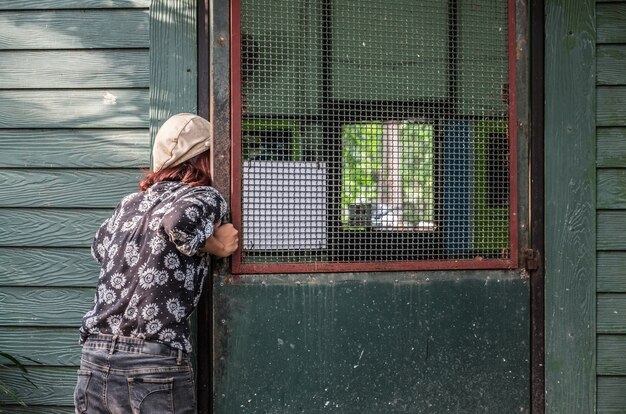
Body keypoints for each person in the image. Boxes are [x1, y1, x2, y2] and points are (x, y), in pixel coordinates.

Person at [73, 113, 238, 414]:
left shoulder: (130, 203)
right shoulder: (203, 195)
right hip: (153, 358)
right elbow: (178, 223)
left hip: (95, 355)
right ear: (205, 159)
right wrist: (217, 245)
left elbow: (100, 247)